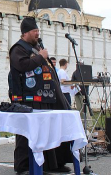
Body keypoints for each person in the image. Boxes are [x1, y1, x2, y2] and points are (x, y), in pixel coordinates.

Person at [9, 17, 72, 173]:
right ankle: (24, 167)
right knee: (28, 133)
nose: (37, 34)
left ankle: (52, 164)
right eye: (34, 31)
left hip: (44, 96)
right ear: (25, 33)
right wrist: (41, 57)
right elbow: (23, 65)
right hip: (27, 98)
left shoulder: (36, 48)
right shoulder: (18, 49)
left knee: (48, 131)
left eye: (38, 30)